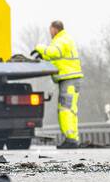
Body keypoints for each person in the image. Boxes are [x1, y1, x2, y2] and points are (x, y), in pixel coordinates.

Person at [33, 20, 83, 148]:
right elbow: (54, 57)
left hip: (69, 79)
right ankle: (71, 138)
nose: (49, 32)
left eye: (50, 29)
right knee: (68, 109)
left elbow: (54, 52)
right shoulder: (62, 39)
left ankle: (71, 139)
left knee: (66, 109)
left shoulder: (62, 39)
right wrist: (43, 56)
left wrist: (39, 47)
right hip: (68, 79)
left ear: (55, 29)